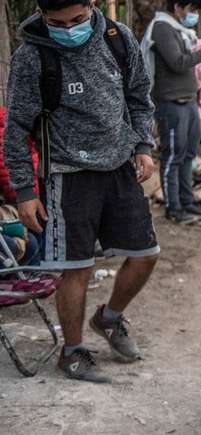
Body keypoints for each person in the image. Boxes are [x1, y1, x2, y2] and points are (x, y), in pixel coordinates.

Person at [5, 0, 160, 382]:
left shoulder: (117, 38)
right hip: (66, 175)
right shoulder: (32, 56)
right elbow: (16, 130)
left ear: (92, 5)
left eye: (77, 20)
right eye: (57, 22)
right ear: (42, 15)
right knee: (77, 268)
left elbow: (140, 98)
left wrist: (142, 146)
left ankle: (108, 319)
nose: (69, 29)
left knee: (145, 255)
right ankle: (72, 353)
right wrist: (25, 191)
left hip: (120, 168)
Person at [141, 0, 201, 224]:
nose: (194, 14)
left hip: (188, 102)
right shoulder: (162, 28)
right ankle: (174, 208)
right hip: (171, 103)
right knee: (173, 157)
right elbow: (178, 63)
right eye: (193, 9)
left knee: (188, 154)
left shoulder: (178, 29)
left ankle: (187, 202)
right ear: (178, 6)